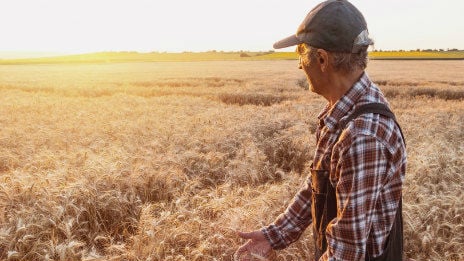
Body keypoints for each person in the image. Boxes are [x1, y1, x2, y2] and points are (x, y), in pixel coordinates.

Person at [235, 0, 407, 260]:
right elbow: (318, 185)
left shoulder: (363, 136)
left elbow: (346, 253)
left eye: (301, 53)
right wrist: (274, 234)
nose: (299, 65)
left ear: (322, 59)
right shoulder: (343, 112)